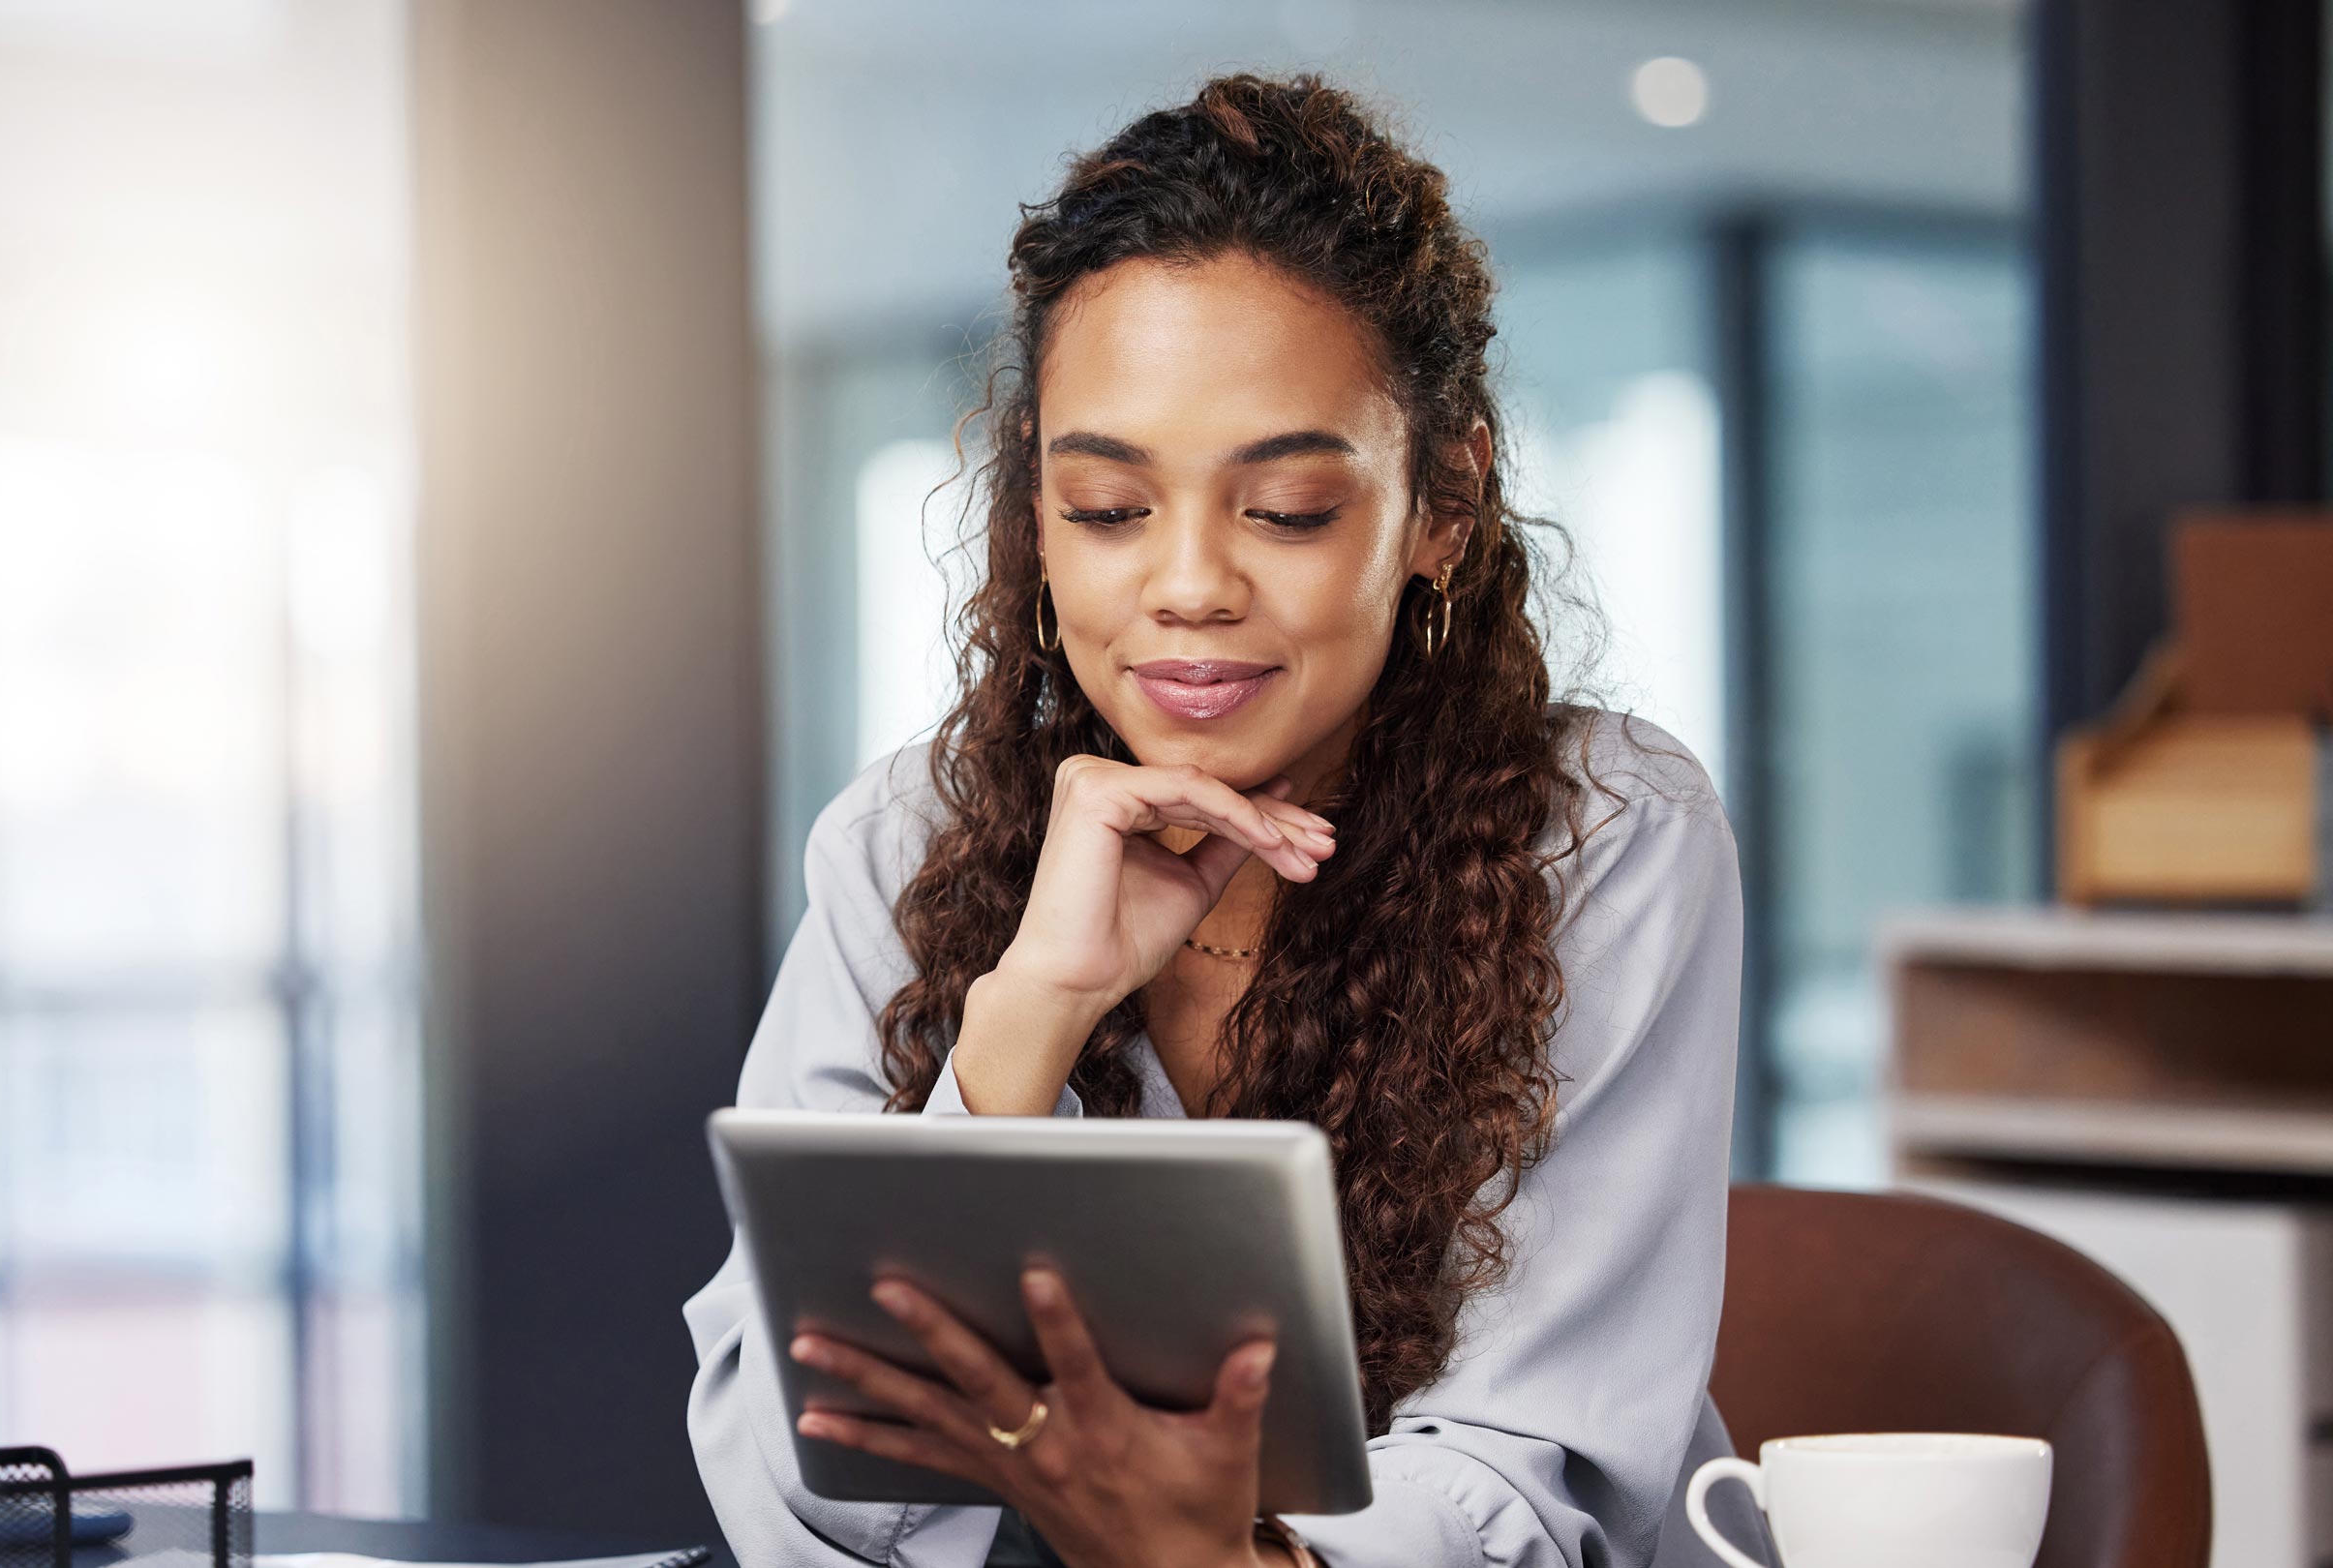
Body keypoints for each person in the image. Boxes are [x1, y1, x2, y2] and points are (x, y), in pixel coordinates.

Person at [685, 73, 1752, 1568]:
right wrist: (1023, 1027)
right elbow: (789, 1488)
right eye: (1110, 510)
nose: (1187, 586)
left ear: (1443, 503)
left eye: (1289, 510)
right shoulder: (907, 842)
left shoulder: (1602, 838)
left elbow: (1544, 1466)